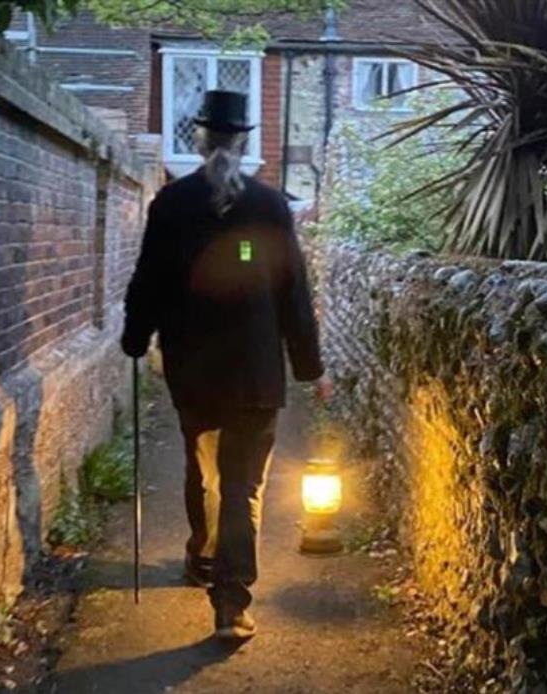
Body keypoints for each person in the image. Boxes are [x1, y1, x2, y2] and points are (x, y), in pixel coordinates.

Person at [121, 90, 332, 640]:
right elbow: (294, 295)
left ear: (200, 140)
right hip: (256, 373)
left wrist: (135, 338)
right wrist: (311, 368)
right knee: (243, 485)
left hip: (193, 370)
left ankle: (202, 557)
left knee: (202, 462)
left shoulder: (171, 205)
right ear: (242, 142)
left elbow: (148, 283)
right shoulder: (269, 207)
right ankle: (232, 604)